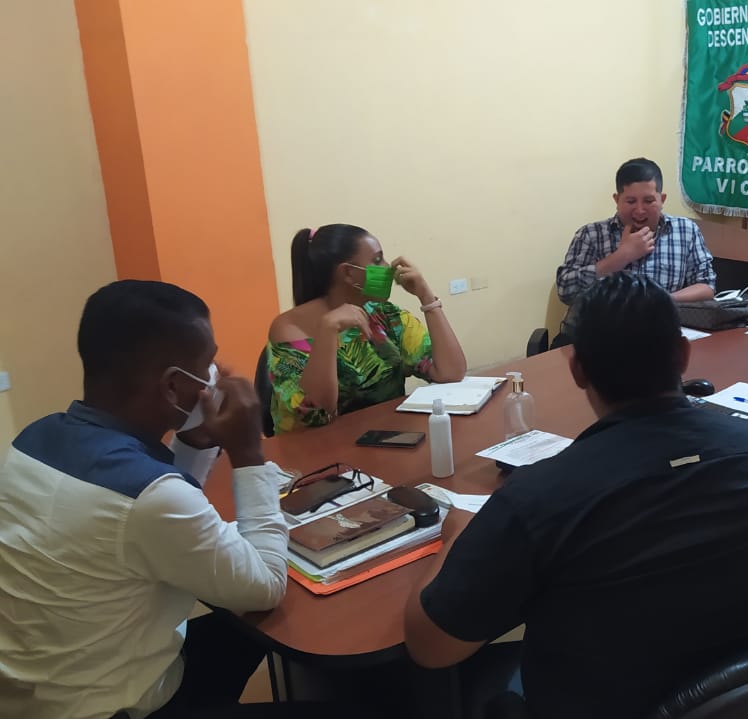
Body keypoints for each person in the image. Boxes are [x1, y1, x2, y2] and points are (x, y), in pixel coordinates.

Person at [403, 273, 748, 719]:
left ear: (576, 368)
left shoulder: (541, 497)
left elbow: (431, 647)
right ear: (683, 354)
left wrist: (454, 537)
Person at [0, 280, 292, 719]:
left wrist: (191, 442)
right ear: (173, 387)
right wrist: (249, 453)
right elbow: (265, 585)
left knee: (242, 630)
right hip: (116, 708)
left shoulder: (32, 440)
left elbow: (155, 507)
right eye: (208, 365)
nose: (215, 377)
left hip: (48, 688)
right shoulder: (150, 498)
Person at [267, 224, 466, 433]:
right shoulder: (289, 328)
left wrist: (426, 297)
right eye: (377, 260)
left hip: (387, 437)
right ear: (348, 273)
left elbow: (451, 372)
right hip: (317, 447)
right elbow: (318, 414)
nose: (388, 267)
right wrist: (328, 330)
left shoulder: (384, 315)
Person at [554, 159, 716, 338]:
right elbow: (565, 291)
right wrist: (622, 256)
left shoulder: (685, 230)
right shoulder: (591, 234)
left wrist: (663, 300)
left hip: (657, 335)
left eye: (649, 201)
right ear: (617, 200)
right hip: (594, 337)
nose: (639, 210)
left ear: (662, 199)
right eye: (631, 201)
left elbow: (706, 286)